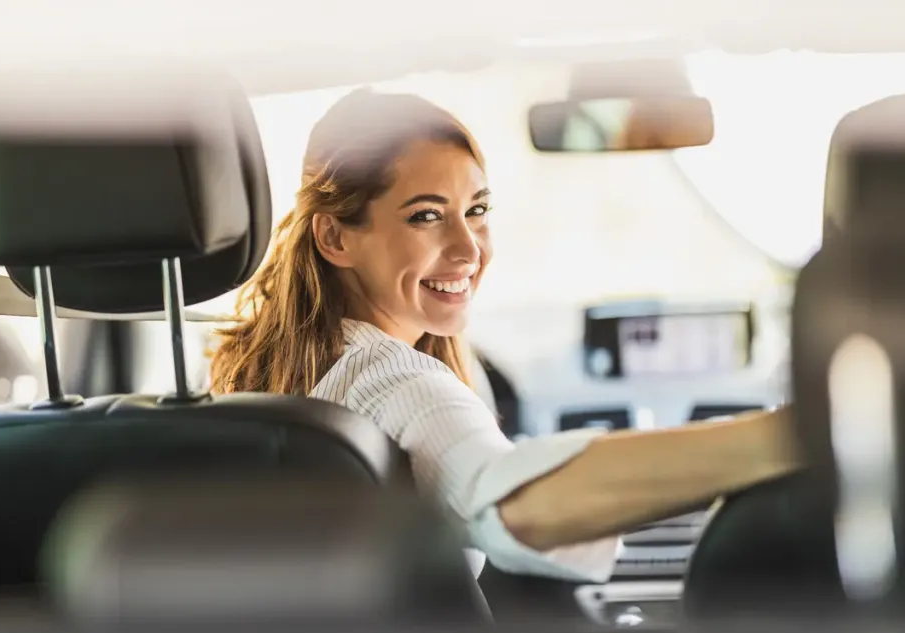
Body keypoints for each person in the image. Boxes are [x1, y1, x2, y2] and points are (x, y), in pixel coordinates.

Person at [209, 88, 800, 582]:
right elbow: (510, 505)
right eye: (426, 215)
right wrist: (793, 437)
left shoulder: (257, 379)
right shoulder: (393, 379)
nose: (469, 249)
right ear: (335, 238)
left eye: (478, 210)